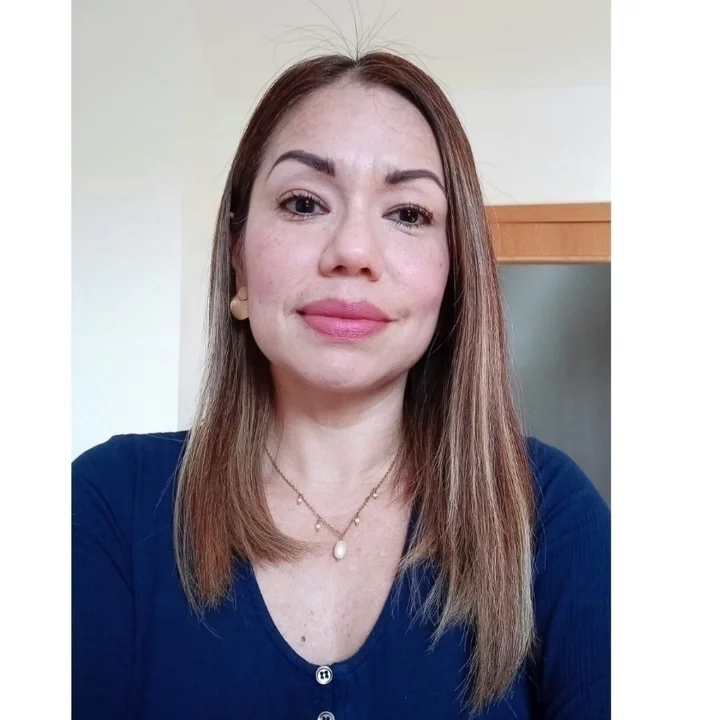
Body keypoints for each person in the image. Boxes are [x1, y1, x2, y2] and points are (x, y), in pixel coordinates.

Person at [72, 50, 610, 719]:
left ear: (454, 272)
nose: (353, 252)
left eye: (408, 213)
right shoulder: (106, 506)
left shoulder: (549, 515)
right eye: (304, 203)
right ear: (238, 259)